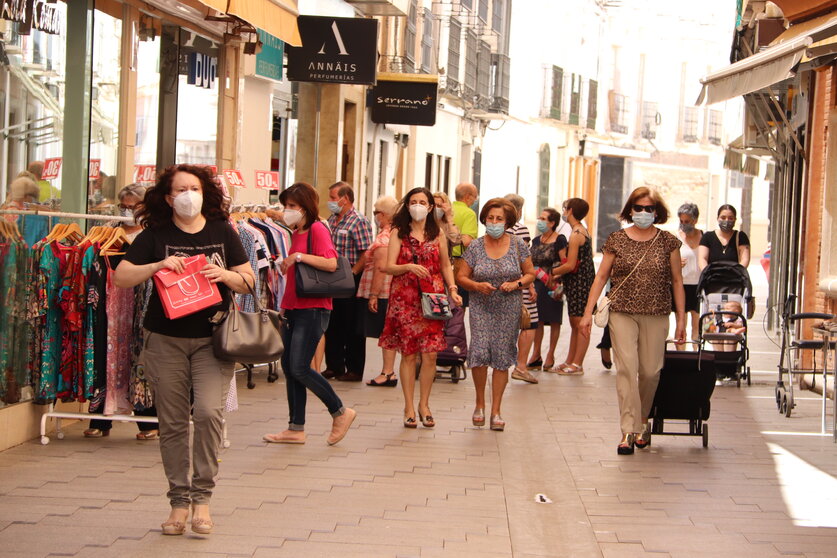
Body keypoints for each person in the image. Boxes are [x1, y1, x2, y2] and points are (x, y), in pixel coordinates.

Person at [114, 164, 256, 535]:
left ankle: (203, 497)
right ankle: (179, 502)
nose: (188, 195)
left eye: (194, 188)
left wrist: (223, 275)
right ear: (167, 197)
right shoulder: (155, 234)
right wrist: (158, 265)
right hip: (165, 339)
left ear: (205, 192)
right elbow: (121, 276)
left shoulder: (222, 230)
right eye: (180, 189)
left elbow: (249, 280)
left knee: (209, 413)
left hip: (214, 339)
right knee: (173, 422)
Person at [579, 187, 685, 456]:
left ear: (656, 212)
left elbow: (676, 281)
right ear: (630, 210)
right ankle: (628, 429)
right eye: (638, 208)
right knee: (626, 368)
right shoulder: (616, 239)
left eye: (649, 209)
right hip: (622, 312)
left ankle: (642, 421)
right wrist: (587, 313)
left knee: (650, 372)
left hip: (657, 312)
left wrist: (682, 320)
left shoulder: (668, 242)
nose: (643, 213)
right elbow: (601, 277)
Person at [263, 182, 357, 445]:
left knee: (301, 367)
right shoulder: (297, 232)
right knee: (290, 368)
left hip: (313, 309)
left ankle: (340, 412)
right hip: (293, 307)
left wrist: (299, 257)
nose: (287, 211)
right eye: (285, 206)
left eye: (292, 206)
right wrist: (283, 302)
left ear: (305, 207)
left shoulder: (317, 228)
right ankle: (295, 428)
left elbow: (330, 262)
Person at [379, 187, 462, 428]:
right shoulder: (399, 233)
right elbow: (388, 266)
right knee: (409, 354)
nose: (417, 205)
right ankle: (408, 405)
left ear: (430, 207)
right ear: (407, 206)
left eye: (422, 201)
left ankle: (424, 404)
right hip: (404, 299)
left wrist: (453, 288)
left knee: (431, 354)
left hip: (432, 299)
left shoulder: (437, 234)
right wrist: (408, 267)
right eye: (413, 201)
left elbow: (446, 265)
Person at [84, 184, 159, 440]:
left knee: (140, 361)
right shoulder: (108, 234)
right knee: (106, 357)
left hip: (141, 303)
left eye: (132, 206)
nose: (126, 210)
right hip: (111, 302)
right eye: (123, 206)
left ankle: (149, 422)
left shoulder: (151, 236)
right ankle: (100, 420)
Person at [456, 198, 536, 431]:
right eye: (490, 218)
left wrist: (517, 283)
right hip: (482, 305)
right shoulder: (476, 246)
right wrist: (476, 286)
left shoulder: (518, 244)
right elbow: (462, 276)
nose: (494, 222)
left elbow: (530, 273)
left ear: (507, 221)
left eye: (499, 219)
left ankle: (496, 410)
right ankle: (480, 403)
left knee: (502, 356)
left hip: (508, 306)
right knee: (479, 351)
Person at [323, 182, 373, 382]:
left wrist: (353, 273)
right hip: (332, 276)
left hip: (350, 275)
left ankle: (354, 369)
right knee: (332, 323)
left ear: (346, 199)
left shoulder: (358, 221)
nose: (331, 202)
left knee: (352, 324)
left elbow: (366, 252)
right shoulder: (332, 219)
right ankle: (334, 366)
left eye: (334, 198)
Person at [551, 198, 596, 375]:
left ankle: (577, 364)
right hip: (577, 283)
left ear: (569, 210)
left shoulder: (576, 233)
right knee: (574, 323)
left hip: (580, 283)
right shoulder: (580, 230)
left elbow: (570, 265)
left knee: (581, 324)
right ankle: (570, 360)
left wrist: (553, 272)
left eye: (564, 209)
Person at [358, 195, 399, 387]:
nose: (375, 216)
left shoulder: (384, 238)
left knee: (386, 333)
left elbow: (381, 269)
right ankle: (387, 371)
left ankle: (387, 371)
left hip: (383, 293)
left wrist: (373, 295)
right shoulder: (395, 234)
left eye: (375, 212)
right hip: (390, 292)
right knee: (387, 333)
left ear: (383, 215)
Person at [504, 193, 539, 384]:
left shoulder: (498, 228)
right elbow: (524, 259)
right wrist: (530, 285)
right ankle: (521, 366)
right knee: (529, 322)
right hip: (519, 282)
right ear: (517, 210)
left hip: (500, 282)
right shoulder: (520, 229)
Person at [527, 208, 568, 371]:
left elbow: (564, 261)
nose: (540, 221)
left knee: (554, 319)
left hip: (553, 284)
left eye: (543, 219)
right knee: (538, 319)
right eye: (539, 218)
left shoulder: (560, 239)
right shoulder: (536, 240)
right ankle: (536, 354)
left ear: (552, 223)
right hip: (537, 283)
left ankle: (551, 353)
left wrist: (553, 274)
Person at [677, 203, 703, 344]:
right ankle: (681, 356)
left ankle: (696, 355)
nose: (684, 224)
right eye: (681, 221)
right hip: (681, 285)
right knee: (681, 323)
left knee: (697, 324)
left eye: (687, 221)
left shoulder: (704, 237)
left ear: (695, 220)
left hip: (698, 285)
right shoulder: (676, 238)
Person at [698, 204, 750, 270]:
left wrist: (735, 273)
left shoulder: (741, 237)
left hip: (734, 278)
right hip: (712, 278)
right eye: (723, 217)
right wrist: (709, 274)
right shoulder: (707, 237)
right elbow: (702, 259)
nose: (726, 220)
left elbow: (745, 259)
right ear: (717, 218)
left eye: (730, 218)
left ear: (735, 219)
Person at [451, 183, 479, 307]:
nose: (475, 200)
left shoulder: (447, 210)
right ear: (467, 197)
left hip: (442, 261)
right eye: (475, 196)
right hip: (459, 264)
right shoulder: (469, 214)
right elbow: (467, 241)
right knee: (458, 305)